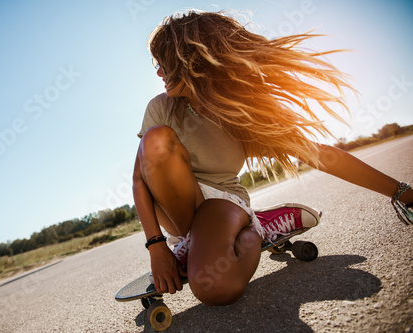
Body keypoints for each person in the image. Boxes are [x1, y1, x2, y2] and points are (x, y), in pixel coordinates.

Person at [132, 10, 413, 306]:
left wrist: (401, 191)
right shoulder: (160, 108)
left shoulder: (240, 112)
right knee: (156, 140)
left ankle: (256, 227)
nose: (159, 73)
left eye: (164, 64)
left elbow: (322, 156)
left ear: (191, 62)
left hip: (220, 203)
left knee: (214, 288)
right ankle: (192, 243)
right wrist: (156, 246)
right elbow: (140, 179)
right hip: (177, 215)